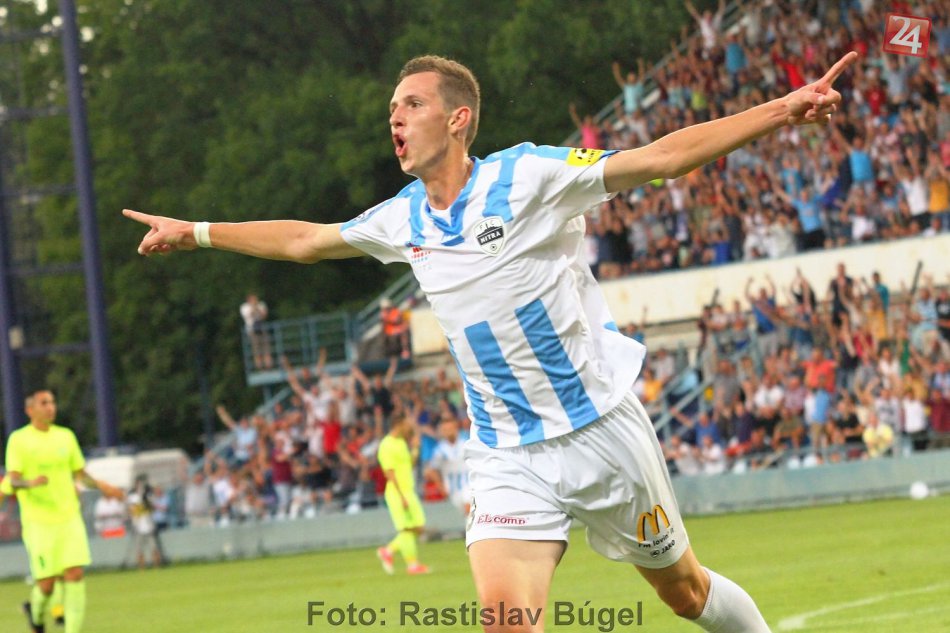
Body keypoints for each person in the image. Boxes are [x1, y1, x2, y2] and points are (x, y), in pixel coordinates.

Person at [124, 51, 855, 632]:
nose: (395, 116)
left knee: (685, 592)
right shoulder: (402, 219)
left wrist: (782, 109)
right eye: (392, 108)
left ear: (459, 118)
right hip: (506, 451)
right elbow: (306, 241)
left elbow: (663, 158)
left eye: (412, 104)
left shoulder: (529, 176)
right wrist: (196, 232)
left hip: (601, 431)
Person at [5, 389, 123, 633]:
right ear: (30, 410)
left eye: (52, 402)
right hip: (38, 522)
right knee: (47, 584)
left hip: (69, 517)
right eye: (44, 403)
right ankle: (35, 615)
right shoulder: (19, 440)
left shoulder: (65, 437)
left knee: (75, 574)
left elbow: (80, 474)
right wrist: (30, 483)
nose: (51, 407)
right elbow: (12, 480)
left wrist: (104, 487)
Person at [375, 414, 430, 575]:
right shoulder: (386, 445)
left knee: (418, 527)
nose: (409, 428)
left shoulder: (401, 443)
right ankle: (412, 565)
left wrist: (415, 449)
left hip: (408, 490)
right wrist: (401, 496)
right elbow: (389, 473)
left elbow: (408, 465)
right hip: (397, 492)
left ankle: (388, 551)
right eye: (407, 424)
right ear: (398, 424)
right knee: (406, 529)